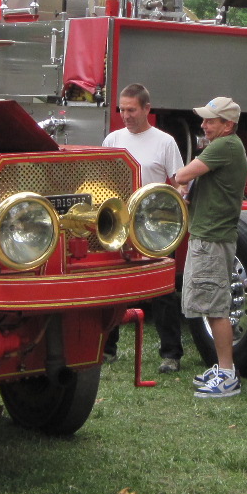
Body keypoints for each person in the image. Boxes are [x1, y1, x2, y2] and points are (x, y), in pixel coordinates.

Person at [167, 96, 247, 399]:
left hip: (213, 240)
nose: (203, 125)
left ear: (227, 125)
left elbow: (182, 174)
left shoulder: (225, 146)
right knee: (212, 306)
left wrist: (181, 181)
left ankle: (227, 375)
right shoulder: (228, 146)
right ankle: (222, 368)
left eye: (210, 121)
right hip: (210, 237)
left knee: (216, 309)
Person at [101, 83, 185, 372]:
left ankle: (171, 355)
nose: (126, 115)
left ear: (147, 109)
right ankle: (106, 350)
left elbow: (179, 184)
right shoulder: (112, 140)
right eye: (122, 109)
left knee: (162, 291)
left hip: (155, 228)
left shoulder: (165, 142)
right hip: (119, 226)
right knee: (112, 288)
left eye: (131, 110)